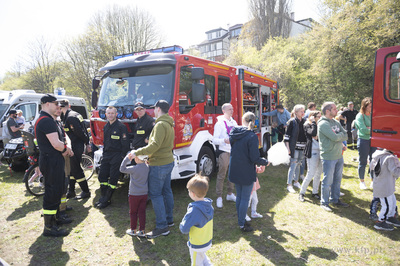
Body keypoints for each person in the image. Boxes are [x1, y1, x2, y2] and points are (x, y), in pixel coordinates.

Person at [131, 100, 174, 238]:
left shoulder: (160, 124)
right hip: (167, 162)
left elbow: (154, 146)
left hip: (159, 164)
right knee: (166, 191)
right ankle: (169, 220)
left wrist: (136, 152)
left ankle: (162, 226)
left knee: (156, 194)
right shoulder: (168, 123)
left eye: (154, 108)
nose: (153, 110)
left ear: (158, 109)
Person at [35, 94, 73, 237]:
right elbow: (56, 143)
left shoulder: (50, 120)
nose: (58, 106)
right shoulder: (46, 121)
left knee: (56, 190)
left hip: (54, 160)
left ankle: (55, 220)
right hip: (51, 161)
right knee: (52, 193)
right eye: (55, 103)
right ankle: (49, 227)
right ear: (46, 104)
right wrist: (66, 150)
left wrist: (64, 148)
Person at [228, 112, 269, 232]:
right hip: (246, 170)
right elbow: (254, 158)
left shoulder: (234, 133)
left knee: (240, 197)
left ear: (242, 119)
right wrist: (266, 162)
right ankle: (241, 223)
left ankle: (241, 220)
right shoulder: (251, 137)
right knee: (244, 198)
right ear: (254, 121)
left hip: (235, 168)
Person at [95, 106, 130, 209]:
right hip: (106, 155)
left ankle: (107, 200)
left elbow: (125, 144)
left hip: (117, 155)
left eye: (112, 113)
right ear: (106, 114)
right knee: (102, 176)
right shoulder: (106, 127)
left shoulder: (121, 127)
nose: (110, 115)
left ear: (116, 114)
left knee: (113, 178)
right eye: (108, 113)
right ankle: (103, 197)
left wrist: (121, 156)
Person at [318, 102, 349, 212]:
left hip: (338, 155)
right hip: (329, 156)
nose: (337, 111)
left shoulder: (335, 122)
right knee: (327, 180)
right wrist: (339, 137)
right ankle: (324, 202)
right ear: (327, 111)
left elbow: (345, 134)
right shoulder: (323, 124)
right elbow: (335, 137)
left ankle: (335, 199)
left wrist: (339, 137)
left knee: (337, 179)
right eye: (334, 109)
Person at [59, 99, 91, 199]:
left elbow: (80, 132)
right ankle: (71, 191)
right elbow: (84, 128)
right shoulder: (71, 115)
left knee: (76, 169)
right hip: (75, 144)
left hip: (75, 145)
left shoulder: (71, 117)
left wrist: (87, 142)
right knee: (72, 169)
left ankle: (86, 191)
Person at [179, 174, 214, 266]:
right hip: (207, 241)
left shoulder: (193, 211)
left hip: (197, 244)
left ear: (193, 194)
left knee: (196, 263)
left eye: (189, 191)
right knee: (202, 256)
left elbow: (184, 228)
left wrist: (182, 224)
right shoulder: (209, 206)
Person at [212, 103, 237, 208]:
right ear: (223, 111)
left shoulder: (234, 122)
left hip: (234, 151)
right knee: (222, 174)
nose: (232, 111)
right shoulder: (219, 124)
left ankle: (230, 194)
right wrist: (224, 140)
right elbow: (214, 140)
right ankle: (219, 197)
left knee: (232, 174)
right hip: (224, 151)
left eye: (232, 109)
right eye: (229, 109)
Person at [120, 153, 149, 238]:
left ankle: (133, 230)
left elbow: (122, 169)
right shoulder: (147, 168)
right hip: (144, 193)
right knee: (142, 212)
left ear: (137, 159)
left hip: (134, 194)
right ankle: (142, 231)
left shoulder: (133, 168)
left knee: (133, 212)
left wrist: (127, 159)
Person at [370, 149, 400, 231]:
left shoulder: (377, 155)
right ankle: (380, 222)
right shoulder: (389, 158)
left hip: (385, 185)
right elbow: (396, 173)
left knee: (393, 202)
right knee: (387, 205)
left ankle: (390, 217)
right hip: (384, 186)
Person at [299, 111, 322, 201]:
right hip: (312, 151)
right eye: (318, 117)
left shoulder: (320, 124)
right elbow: (313, 133)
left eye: (321, 116)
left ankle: (315, 192)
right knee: (311, 173)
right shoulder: (307, 124)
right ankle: (302, 192)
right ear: (313, 117)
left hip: (321, 151)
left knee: (318, 173)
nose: (320, 118)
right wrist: (313, 123)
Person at [355, 97, 377, 190]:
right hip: (363, 140)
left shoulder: (373, 115)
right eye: (369, 106)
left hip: (373, 140)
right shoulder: (360, 116)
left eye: (372, 106)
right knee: (363, 161)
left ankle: (373, 180)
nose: (371, 108)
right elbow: (363, 130)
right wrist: (371, 129)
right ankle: (362, 181)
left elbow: (377, 127)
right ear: (364, 106)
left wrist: (369, 128)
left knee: (374, 161)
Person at [284, 105, 306, 193]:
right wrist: (288, 149)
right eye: (301, 111)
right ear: (296, 112)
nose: (303, 112)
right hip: (294, 147)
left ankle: (296, 181)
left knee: (299, 164)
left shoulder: (305, 121)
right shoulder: (292, 122)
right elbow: (286, 137)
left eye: (303, 111)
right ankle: (289, 184)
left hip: (303, 147)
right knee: (293, 165)